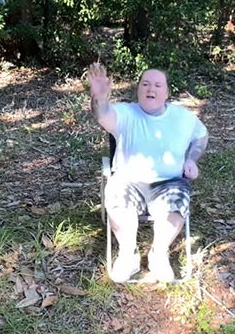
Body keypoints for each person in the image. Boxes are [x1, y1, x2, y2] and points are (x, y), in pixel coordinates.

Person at [87, 62, 209, 283]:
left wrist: (191, 158)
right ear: (138, 90)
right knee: (115, 192)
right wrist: (99, 97)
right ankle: (128, 254)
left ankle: (158, 254)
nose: (150, 89)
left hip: (169, 183)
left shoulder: (182, 117)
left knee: (178, 202)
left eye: (157, 85)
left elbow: (201, 136)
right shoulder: (124, 113)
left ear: (167, 92)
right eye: (145, 84)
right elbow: (102, 114)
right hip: (128, 181)